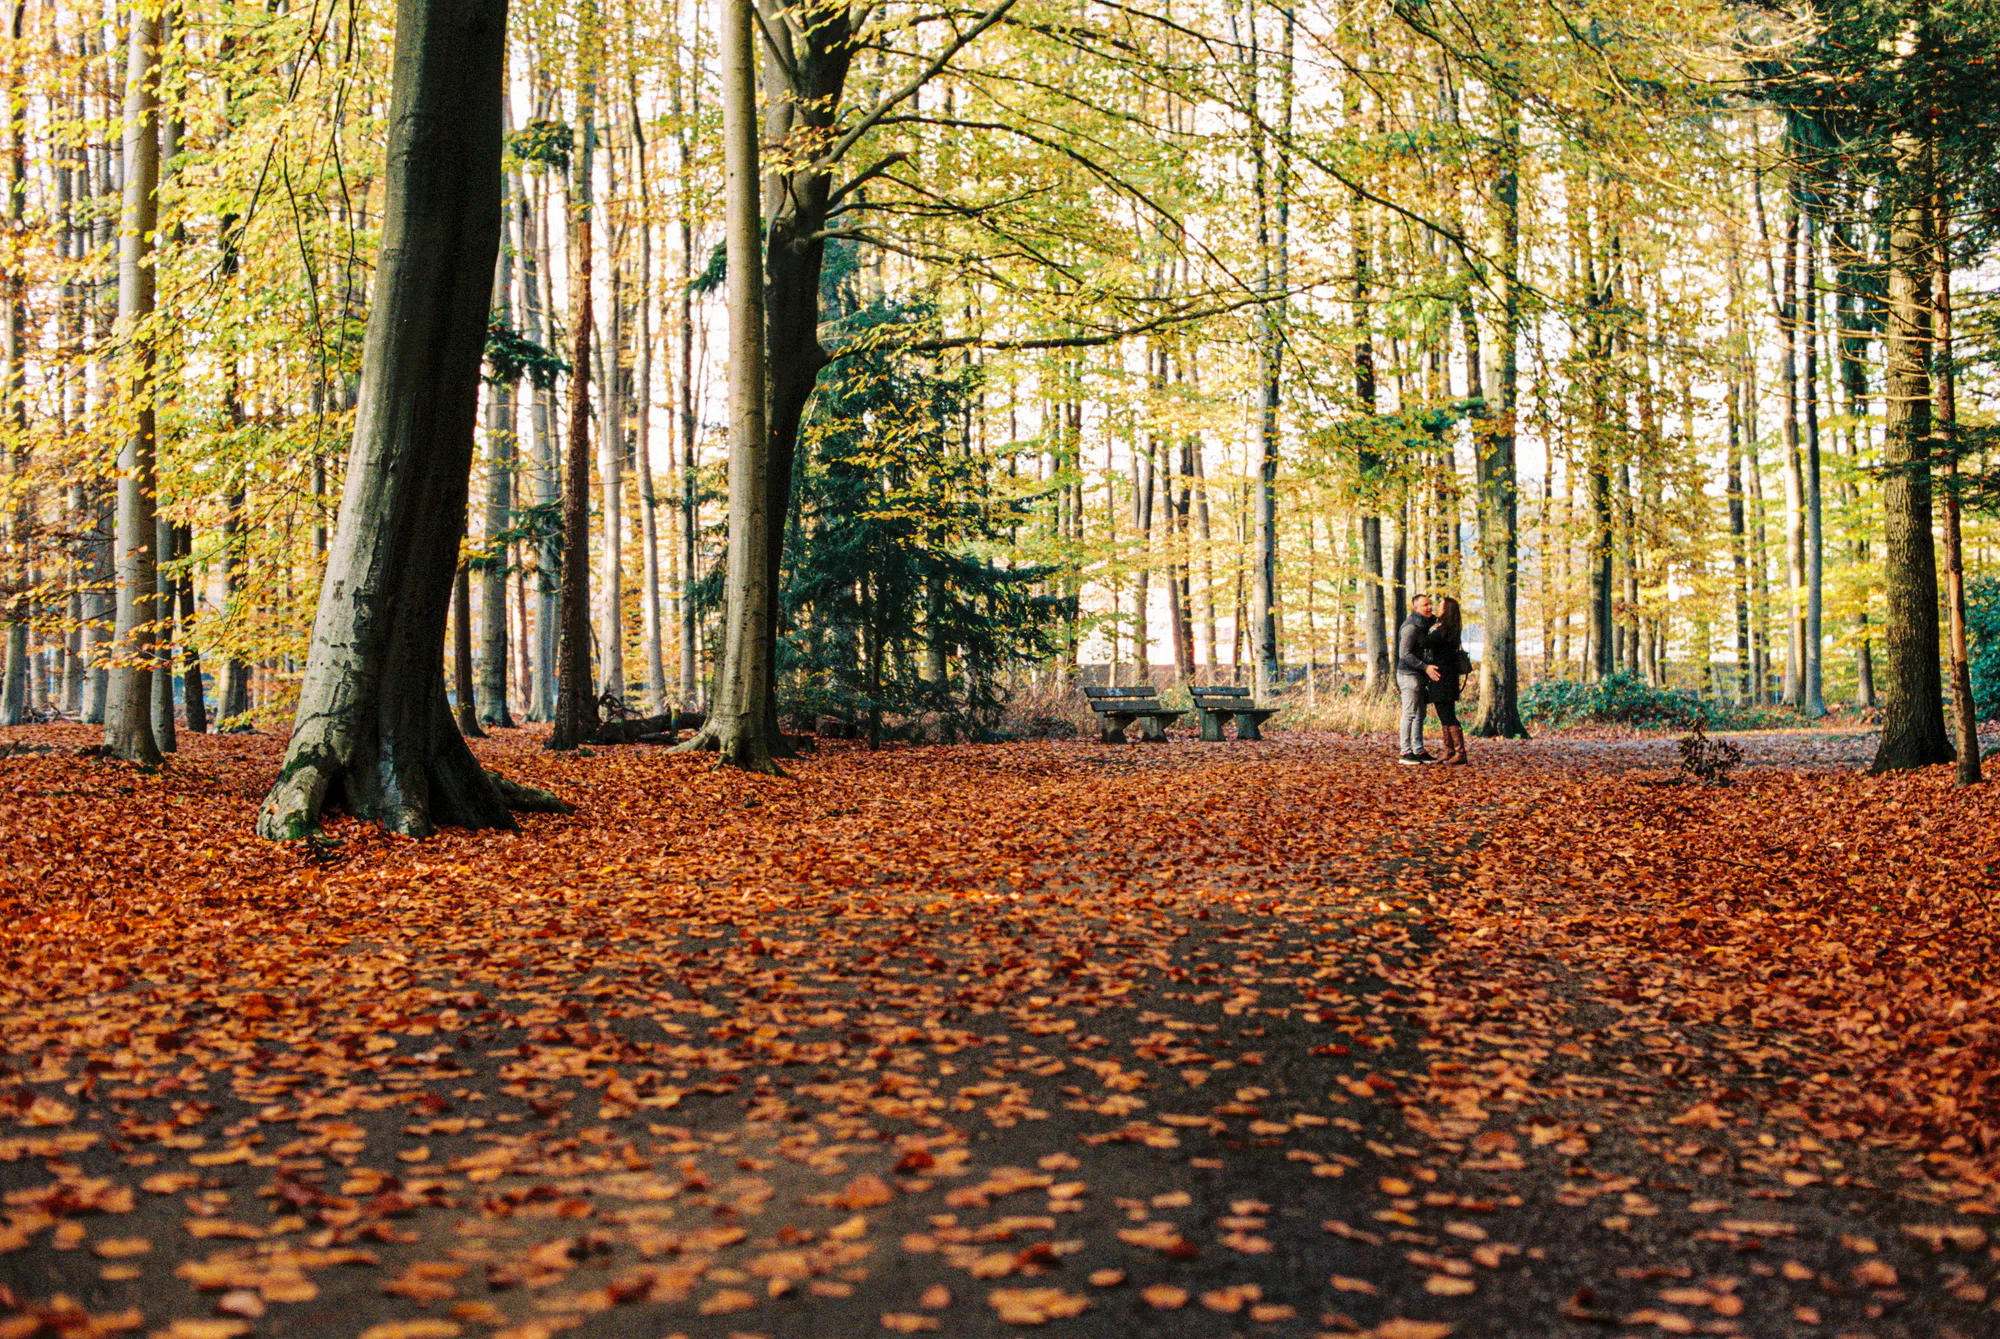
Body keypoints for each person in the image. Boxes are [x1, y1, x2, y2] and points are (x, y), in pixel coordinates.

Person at [1425, 596, 1473, 766]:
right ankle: (1449, 750)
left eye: (1440, 605)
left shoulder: (1444, 630)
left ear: (1447, 610)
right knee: (1443, 714)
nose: (1437, 607)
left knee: (1448, 715)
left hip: (1444, 678)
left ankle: (1459, 752)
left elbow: (1427, 641)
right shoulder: (1446, 627)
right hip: (1444, 677)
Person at [1395, 594, 1439, 764]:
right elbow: (1404, 654)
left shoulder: (1426, 623)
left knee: (1420, 714)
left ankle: (1418, 750)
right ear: (1415, 608)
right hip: (1408, 675)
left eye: (1430, 604)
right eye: (1424, 605)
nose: (1429, 607)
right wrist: (1425, 667)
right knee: (1410, 713)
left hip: (1420, 676)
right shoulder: (1411, 627)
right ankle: (1405, 751)